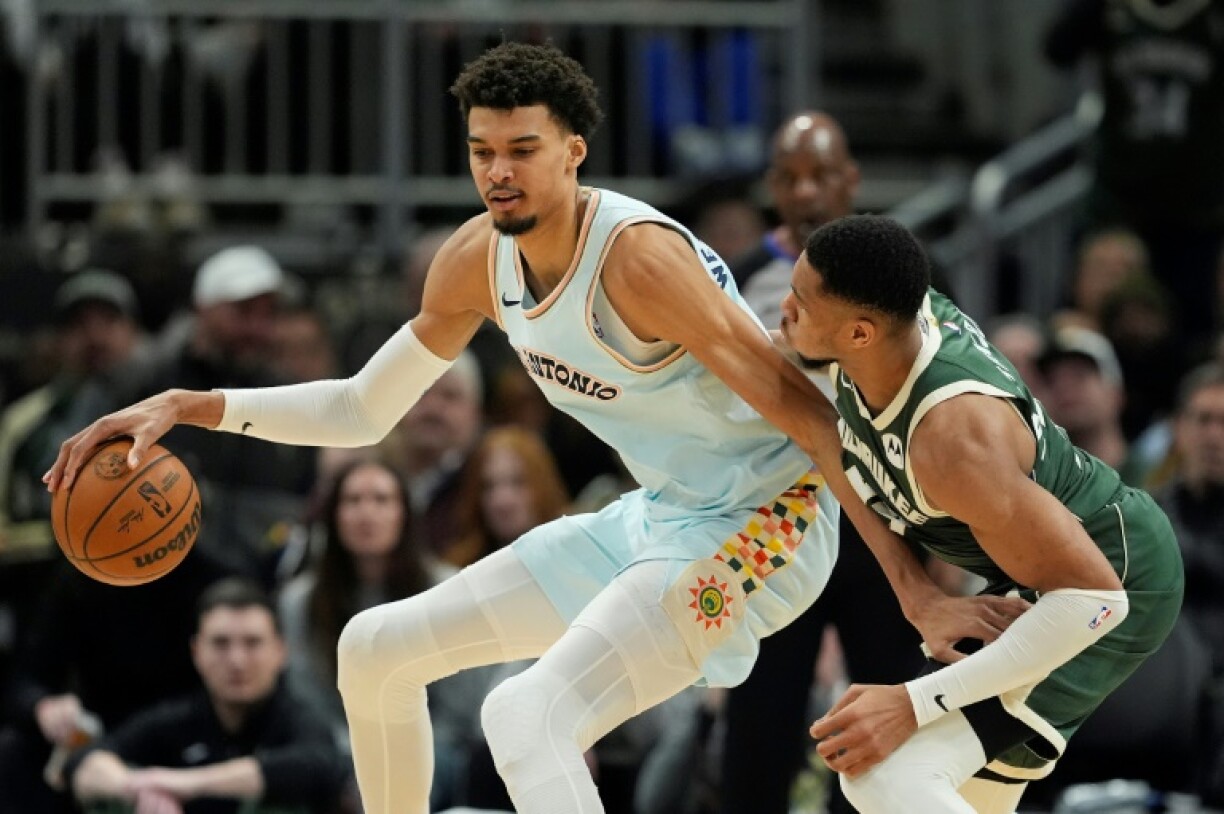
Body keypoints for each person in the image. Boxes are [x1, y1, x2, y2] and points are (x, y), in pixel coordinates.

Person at [42, 42, 855, 814]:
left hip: (768, 526)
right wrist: (191, 405)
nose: (498, 173)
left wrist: (918, 589)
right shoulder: (477, 260)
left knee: (526, 715)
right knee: (372, 647)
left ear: (574, 150)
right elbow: (363, 409)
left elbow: (809, 412)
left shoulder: (638, 260)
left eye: (523, 150)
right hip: (664, 517)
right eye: (481, 151)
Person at [782, 214, 1184, 813]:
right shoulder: (884, 328)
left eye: (800, 302)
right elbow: (818, 435)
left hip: (1112, 580)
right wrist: (916, 595)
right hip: (1036, 577)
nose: (784, 310)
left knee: (887, 773)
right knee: (955, 792)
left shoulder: (953, 440)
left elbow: (1097, 600)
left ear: (860, 333)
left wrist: (912, 702)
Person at [720, 110, 923, 814]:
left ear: (851, 181)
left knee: (888, 708)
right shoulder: (736, 280)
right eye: (791, 178)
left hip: (883, 516)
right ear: (772, 186)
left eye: (822, 176)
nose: (806, 193)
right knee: (761, 720)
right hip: (779, 518)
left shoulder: (902, 271)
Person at [64, 577, 349, 814]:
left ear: (281, 651)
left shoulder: (301, 719)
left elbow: (318, 765)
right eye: (220, 643)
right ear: (196, 652)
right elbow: (84, 762)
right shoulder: (176, 720)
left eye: (253, 643)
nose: (237, 660)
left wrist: (186, 783)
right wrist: (137, 788)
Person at [445, 426, 570, 568]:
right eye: (488, 486)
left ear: (543, 486)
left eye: (518, 482)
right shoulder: (456, 571)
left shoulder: (577, 559)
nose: (501, 500)